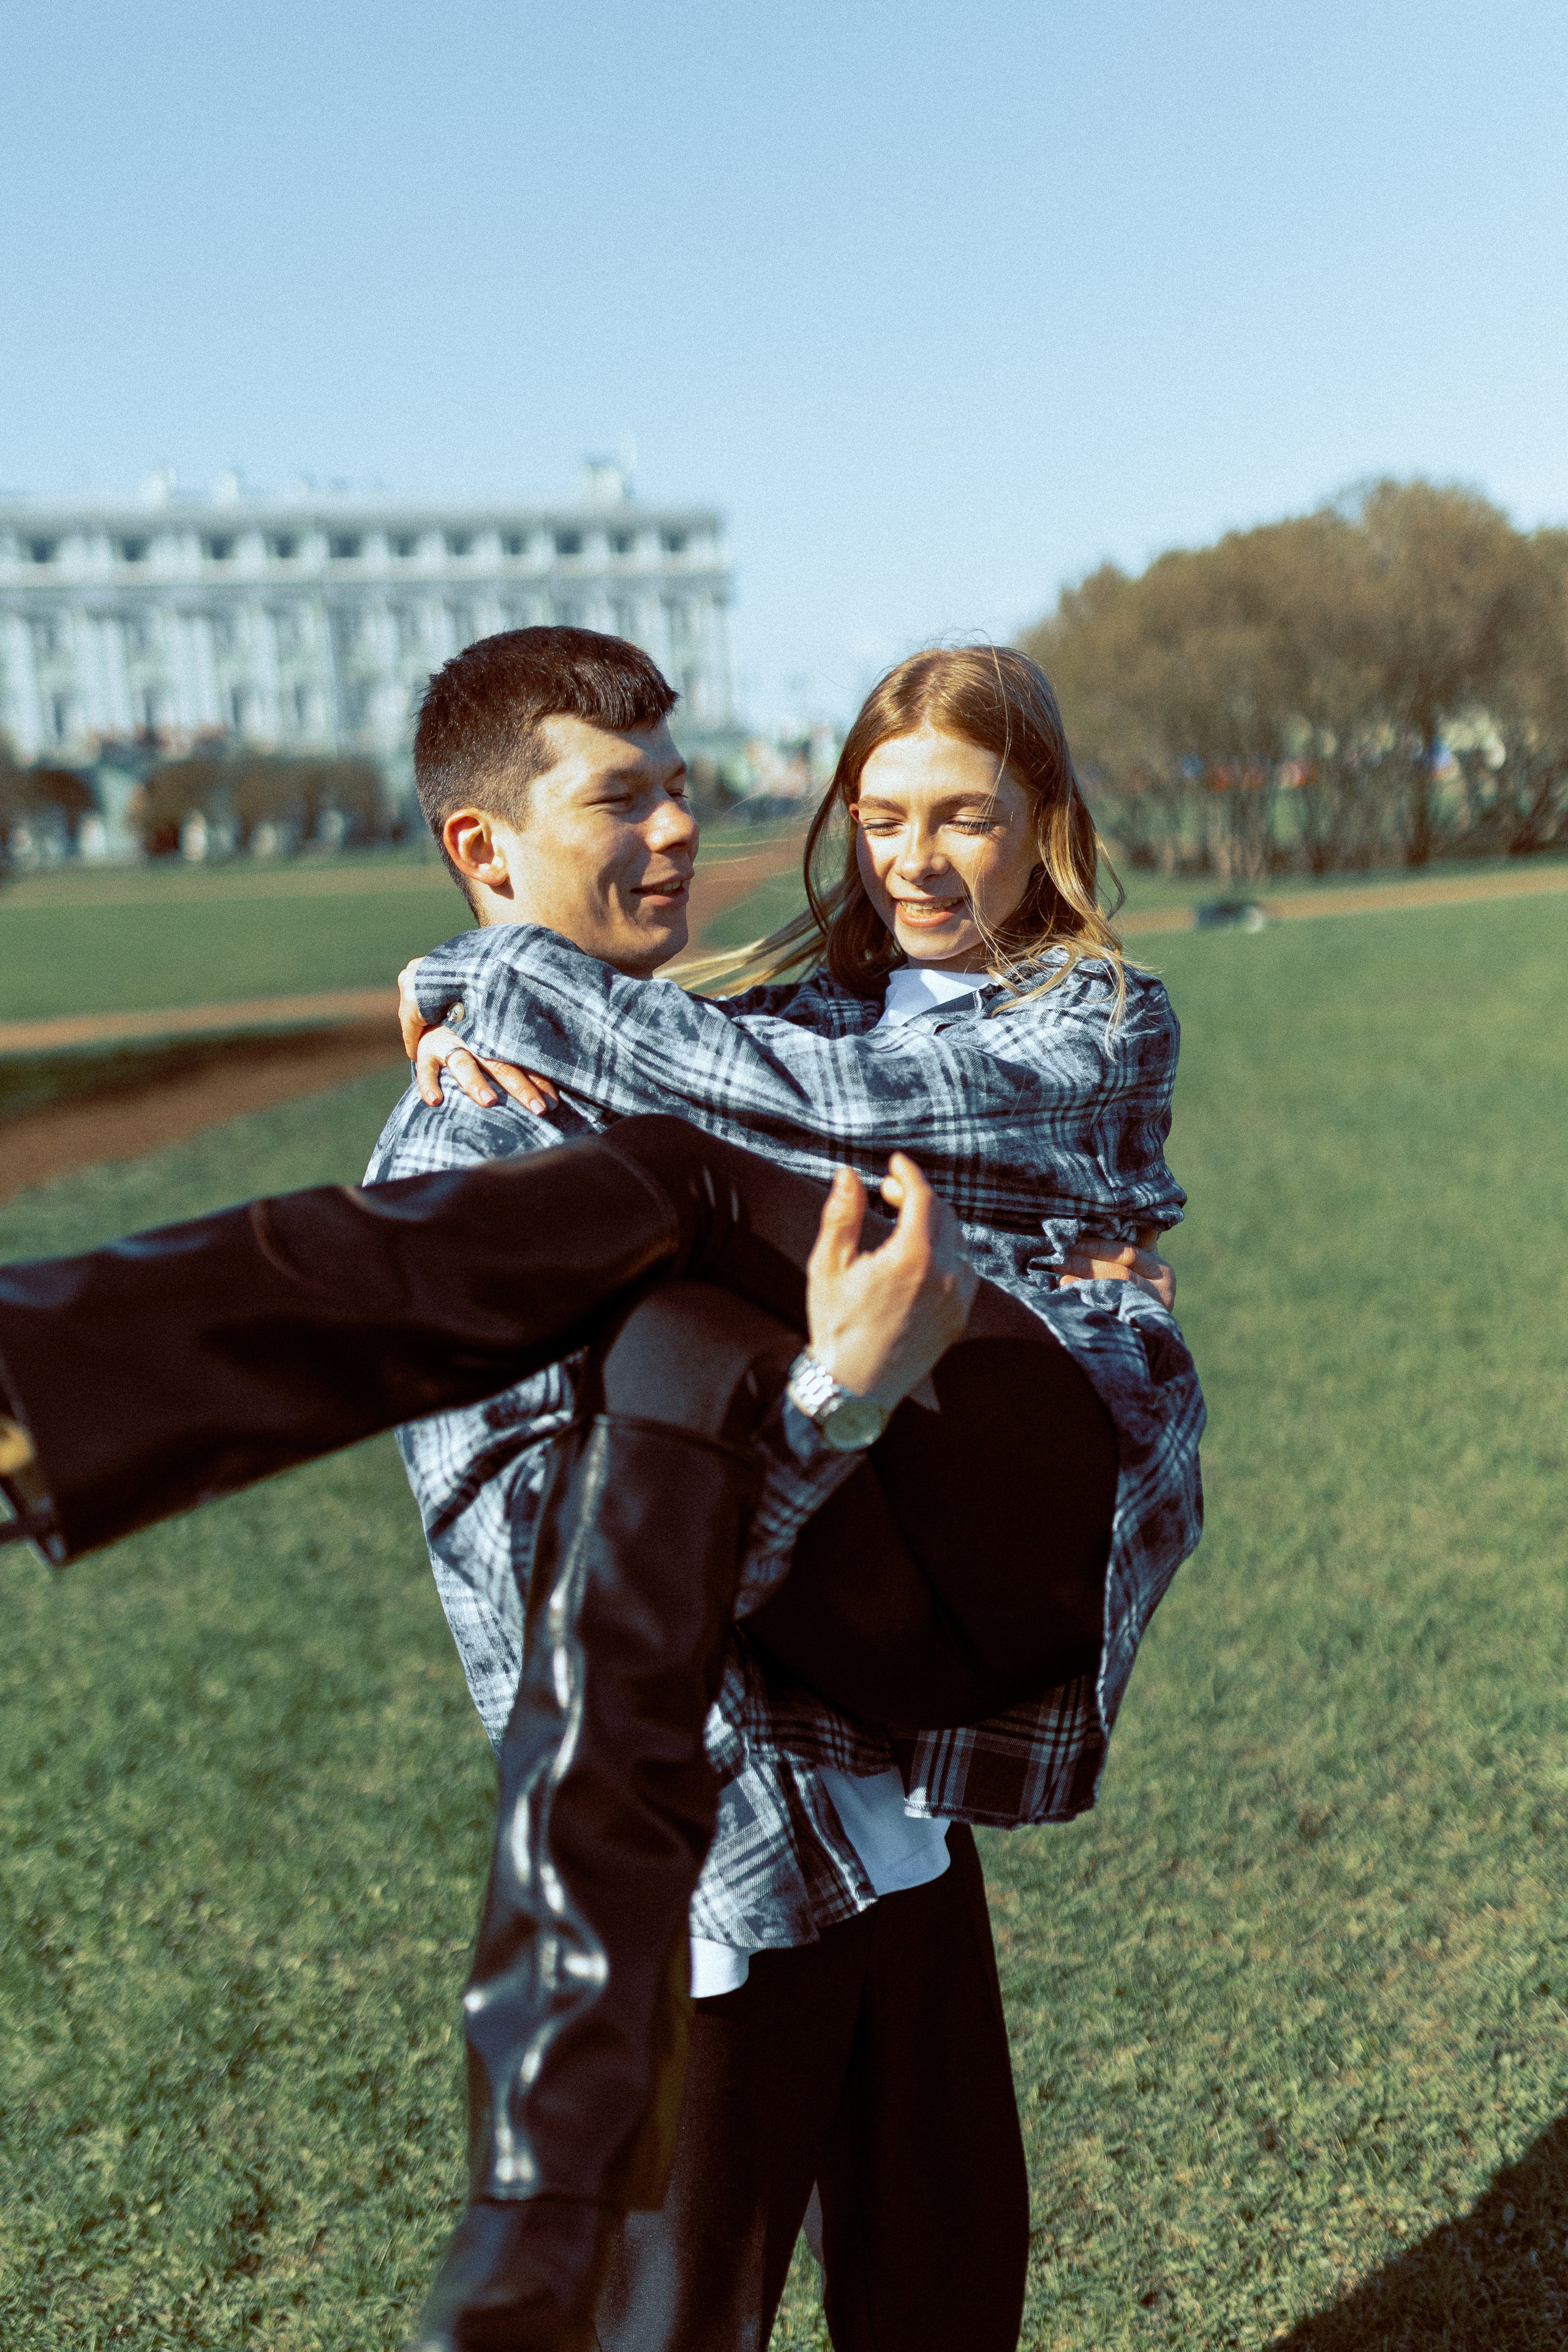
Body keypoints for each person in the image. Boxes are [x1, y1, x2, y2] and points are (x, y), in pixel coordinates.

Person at [0, 631, 1204, 2352]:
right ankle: (48, 1381)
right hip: (712, 1878)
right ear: (488, 850)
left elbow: (843, 1116)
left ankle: (56, 1366)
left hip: (894, 1816)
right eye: (619, 798)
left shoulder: (721, 1053)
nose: (674, 837)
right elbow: (552, 1598)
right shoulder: (460, 1161)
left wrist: (497, 986)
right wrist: (835, 1408)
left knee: (949, 2296)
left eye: (684, 792)